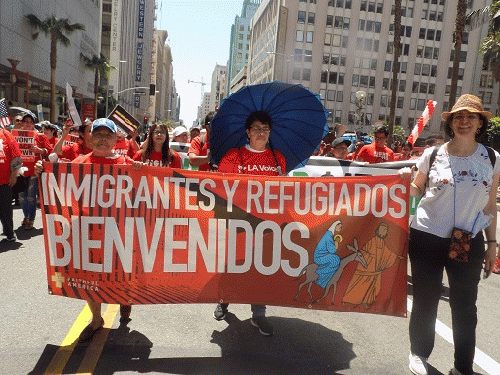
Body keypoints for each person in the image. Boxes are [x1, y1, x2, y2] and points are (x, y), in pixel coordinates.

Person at [399, 94, 499, 375]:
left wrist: (492, 243)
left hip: (467, 240)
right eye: (458, 117)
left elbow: (490, 205)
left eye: (471, 116)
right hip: (427, 236)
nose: (464, 121)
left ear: (480, 122)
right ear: (451, 123)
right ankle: (419, 353)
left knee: (466, 307)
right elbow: (417, 190)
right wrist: (407, 182)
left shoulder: (492, 158)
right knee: (426, 300)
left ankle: (462, 367)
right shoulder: (433, 154)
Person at [35, 118, 144, 342]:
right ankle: (96, 319)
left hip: (119, 232)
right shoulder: (79, 162)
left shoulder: (127, 163)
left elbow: (145, 193)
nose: (103, 138)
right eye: (98, 134)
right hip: (88, 232)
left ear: (116, 139)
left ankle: (124, 299)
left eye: (108, 135)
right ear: (90, 138)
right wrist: (43, 172)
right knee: (90, 277)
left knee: (121, 276)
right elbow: (58, 183)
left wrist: (141, 171)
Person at [213, 111, 286, 336]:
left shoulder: (278, 158)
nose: (261, 133)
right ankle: (224, 301)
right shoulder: (233, 156)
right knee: (233, 267)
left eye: (265, 129)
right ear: (247, 132)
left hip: (266, 226)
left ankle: (258, 315)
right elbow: (220, 189)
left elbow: (285, 191)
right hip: (238, 224)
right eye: (256, 128)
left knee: (261, 270)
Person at [15, 112, 51, 230]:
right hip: (20, 171)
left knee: (31, 197)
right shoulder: (15, 135)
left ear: (34, 124)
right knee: (21, 197)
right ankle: (26, 216)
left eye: (30, 122)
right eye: (25, 121)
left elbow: (50, 151)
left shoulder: (40, 136)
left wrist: (39, 150)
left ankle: (31, 218)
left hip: (34, 171)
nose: (27, 124)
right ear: (22, 123)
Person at [0, 128, 22, 242]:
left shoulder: (5, 134)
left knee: (5, 208)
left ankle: (9, 233)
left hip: (4, 181)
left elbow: (16, 155)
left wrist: (14, 174)